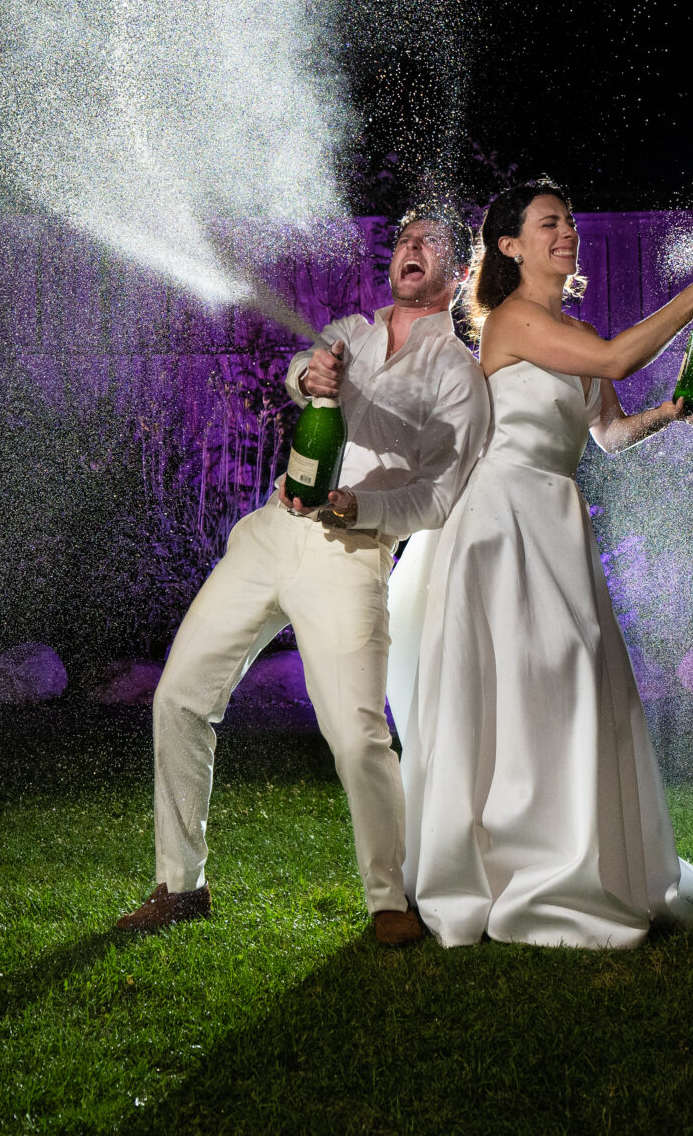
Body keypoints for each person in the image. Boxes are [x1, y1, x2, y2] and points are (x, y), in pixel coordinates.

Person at [117, 210, 491, 947]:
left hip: (348, 554)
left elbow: (443, 495)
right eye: (403, 239)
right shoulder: (352, 329)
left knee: (356, 736)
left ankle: (391, 900)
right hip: (270, 534)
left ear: (460, 273)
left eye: (429, 242)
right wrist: (308, 373)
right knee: (179, 696)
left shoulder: (458, 375)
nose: (409, 247)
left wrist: (367, 505)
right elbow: (302, 374)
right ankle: (181, 883)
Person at [392, 179, 693, 949]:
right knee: (541, 680)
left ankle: (576, 856)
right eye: (550, 223)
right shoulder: (511, 322)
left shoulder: (569, 331)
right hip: (500, 522)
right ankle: (523, 869)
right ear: (510, 246)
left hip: (553, 519)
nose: (568, 232)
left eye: (571, 221)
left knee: (578, 679)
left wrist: (673, 412)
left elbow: (608, 433)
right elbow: (620, 355)